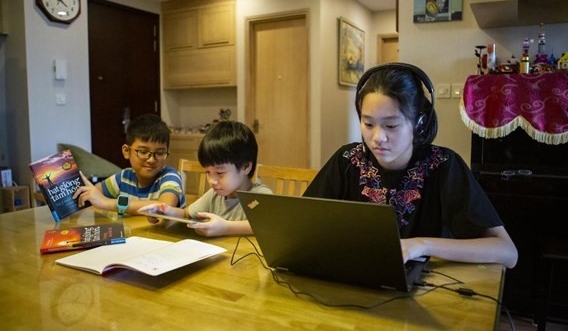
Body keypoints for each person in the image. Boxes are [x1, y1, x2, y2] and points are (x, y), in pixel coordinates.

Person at [303, 62, 518, 268]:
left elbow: (507, 252)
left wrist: (421, 245)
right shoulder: (348, 159)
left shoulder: (443, 165)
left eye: (391, 125)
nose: (377, 137)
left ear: (419, 122)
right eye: (368, 124)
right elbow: (303, 224)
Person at [140, 120, 272, 237]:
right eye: (208, 172)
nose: (212, 181)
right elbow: (187, 214)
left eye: (220, 173)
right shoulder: (215, 195)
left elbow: (266, 226)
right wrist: (165, 212)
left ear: (245, 167)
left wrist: (225, 228)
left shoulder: (260, 196)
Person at [73, 114, 185, 215]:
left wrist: (106, 203)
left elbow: (164, 207)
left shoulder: (170, 176)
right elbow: (94, 194)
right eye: (143, 152)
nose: (151, 159)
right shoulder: (123, 178)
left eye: (160, 153)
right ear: (126, 151)